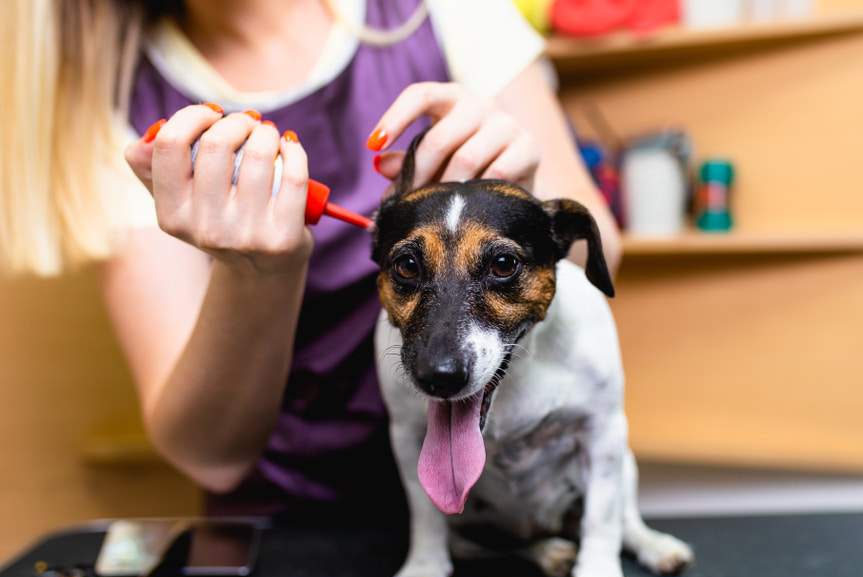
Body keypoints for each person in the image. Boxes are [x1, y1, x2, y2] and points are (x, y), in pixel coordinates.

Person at [1, 0, 621, 524]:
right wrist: (258, 276)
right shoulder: (113, 104)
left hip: (507, 510)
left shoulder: (447, 10)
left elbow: (604, 257)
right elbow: (209, 456)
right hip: (294, 534)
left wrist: (526, 205)